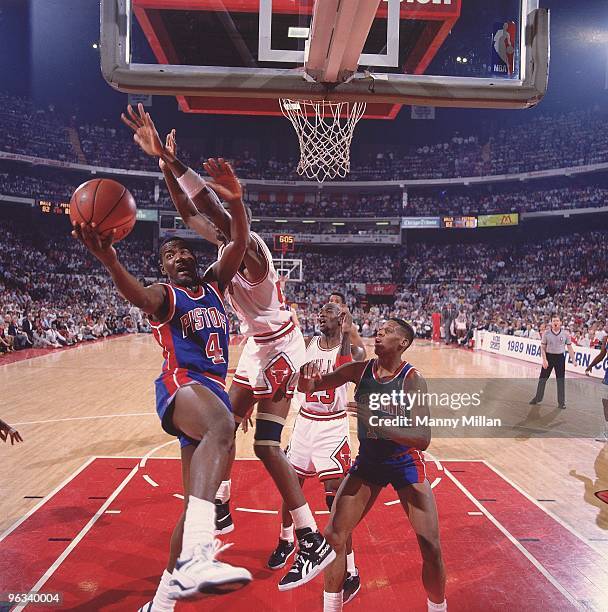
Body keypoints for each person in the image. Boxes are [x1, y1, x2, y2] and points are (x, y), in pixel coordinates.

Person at [122, 104, 334, 591]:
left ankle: (309, 539)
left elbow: (216, 212)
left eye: (214, 216)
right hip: (258, 347)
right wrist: (164, 164)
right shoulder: (219, 249)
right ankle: (216, 506)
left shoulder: (250, 249)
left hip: (282, 347)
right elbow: (189, 211)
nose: (201, 224)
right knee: (226, 420)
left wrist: (192, 174)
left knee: (264, 443)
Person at [74, 147, 252, 606]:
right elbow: (137, 296)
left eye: (184, 251)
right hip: (181, 386)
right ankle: (198, 558)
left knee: (200, 501)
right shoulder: (166, 297)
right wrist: (112, 261)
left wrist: (235, 202)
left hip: (209, 390)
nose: (180, 257)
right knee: (223, 425)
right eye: (170, 254)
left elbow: (238, 242)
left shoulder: (215, 284)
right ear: (164, 268)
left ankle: (161, 601)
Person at [298, 318, 446, 612]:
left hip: (404, 463)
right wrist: (306, 377)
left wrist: (376, 421)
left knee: (430, 547)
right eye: (379, 329)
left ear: (402, 343)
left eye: (388, 331)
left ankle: (438, 607)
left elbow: (422, 438)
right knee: (333, 538)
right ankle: (332, 607)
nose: (380, 332)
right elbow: (313, 387)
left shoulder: (412, 379)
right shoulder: (359, 370)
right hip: (369, 463)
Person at [268, 303, 366, 604]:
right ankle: (286, 541)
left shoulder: (350, 351)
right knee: (290, 489)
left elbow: (363, 381)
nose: (320, 314)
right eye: (319, 311)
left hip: (332, 428)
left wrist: (367, 409)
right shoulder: (309, 343)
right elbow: (294, 377)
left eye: (328, 311)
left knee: (335, 504)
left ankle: (351, 571)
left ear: (342, 318)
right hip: (304, 425)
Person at [530, 314, 576, 409]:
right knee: (542, 379)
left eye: (557, 321)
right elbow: (542, 348)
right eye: (554, 321)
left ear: (560, 323)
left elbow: (570, 347)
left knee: (560, 380)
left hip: (560, 358)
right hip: (549, 357)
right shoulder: (546, 334)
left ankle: (561, 402)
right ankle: (538, 398)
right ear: (551, 322)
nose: (555, 323)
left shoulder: (566, 334)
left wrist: (573, 359)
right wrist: (544, 360)